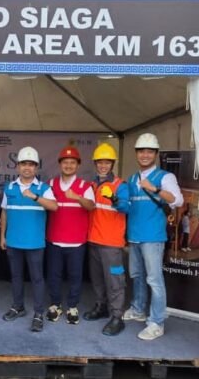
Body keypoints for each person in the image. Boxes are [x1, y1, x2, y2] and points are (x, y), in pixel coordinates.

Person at [123, 133, 183, 341]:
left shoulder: (165, 177)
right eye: (141, 151)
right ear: (136, 154)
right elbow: (129, 205)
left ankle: (157, 322)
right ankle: (138, 309)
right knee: (137, 275)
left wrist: (155, 188)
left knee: (154, 280)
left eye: (149, 151)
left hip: (153, 237)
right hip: (134, 236)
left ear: (156, 154)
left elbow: (177, 200)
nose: (145, 155)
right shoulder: (132, 178)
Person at [0, 147, 58, 332]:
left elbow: (54, 207)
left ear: (36, 167)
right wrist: (2, 236)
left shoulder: (43, 188)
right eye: (24, 164)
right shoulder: (10, 187)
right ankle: (18, 307)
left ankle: (38, 313)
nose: (27, 167)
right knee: (16, 277)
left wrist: (35, 197)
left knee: (37, 279)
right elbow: (4, 212)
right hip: (13, 241)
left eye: (31, 164)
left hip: (34, 242)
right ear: (18, 166)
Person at [45, 146, 95, 325]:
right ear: (60, 164)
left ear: (78, 165)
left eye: (72, 162)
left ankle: (72, 306)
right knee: (54, 275)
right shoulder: (50, 184)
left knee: (75, 276)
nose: (68, 165)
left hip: (76, 242)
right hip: (54, 239)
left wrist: (77, 197)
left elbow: (91, 206)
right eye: (65, 162)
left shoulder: (84, 186)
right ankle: (55, 304)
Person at [85, 143, 130, 336]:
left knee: (115, 281)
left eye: (107, 162)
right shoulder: (92, 185)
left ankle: (117, 317)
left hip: (111, 243)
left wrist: (114, 198)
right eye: (100, 162)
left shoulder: (120, 185)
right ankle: (101, 307)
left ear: (112, 164)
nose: (103, 166)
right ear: (95, 164)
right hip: (94, 240)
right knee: (97, 279)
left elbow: (127, 208)